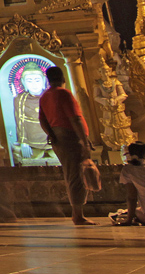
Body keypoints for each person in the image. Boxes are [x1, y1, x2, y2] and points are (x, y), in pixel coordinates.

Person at [38, 65, 95, 225]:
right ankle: (78, 215)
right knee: (76, 175)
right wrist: (84, 141)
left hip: (58, 136)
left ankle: (78, 213)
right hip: (70, 136)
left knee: (73, 173)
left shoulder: (45, 96)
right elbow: (75, 119)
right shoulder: (63, 93)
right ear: (63, 79)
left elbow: (41, 119)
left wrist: (50, 134)